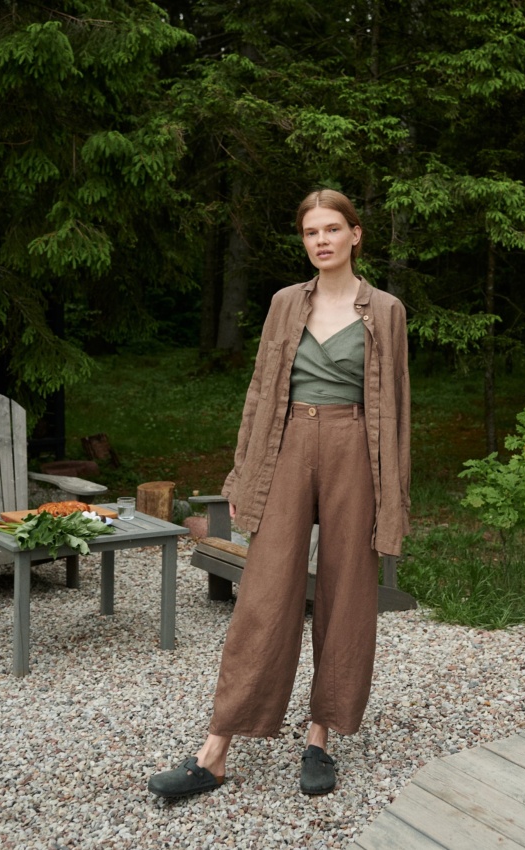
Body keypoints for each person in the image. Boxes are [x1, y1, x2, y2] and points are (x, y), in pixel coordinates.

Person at [148, 188, 410, 798]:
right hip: (290, 446)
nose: (321, 240)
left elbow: (395, 408)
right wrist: (243, 474)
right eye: (310, 232)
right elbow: (262, 393)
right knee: (264, 597)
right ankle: (214, 750)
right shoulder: (286, 303)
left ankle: (319, 738)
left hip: (356, 453)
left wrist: (392, 497)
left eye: (331, 229)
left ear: (356, 234)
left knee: (346, 594)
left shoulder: (387, 310)